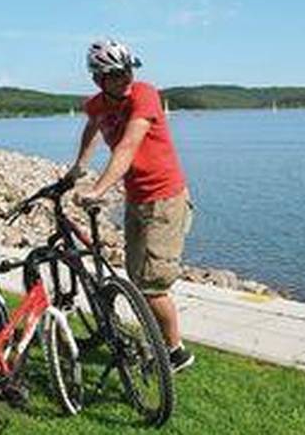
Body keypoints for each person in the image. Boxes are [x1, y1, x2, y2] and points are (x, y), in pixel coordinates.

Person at [69, 39, 195, 373]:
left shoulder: (144, 94)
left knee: (153, 286)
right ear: (99, 80)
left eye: (127, 71)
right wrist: (78, 167)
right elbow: (92, 128)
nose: (126, 78)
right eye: (116, 74)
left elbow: (127, 147)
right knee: (137, 278)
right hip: (136, 198)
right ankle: (156, 343)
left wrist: (97, 189)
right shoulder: (97, 104)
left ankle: (176, 352)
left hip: (164, 199)